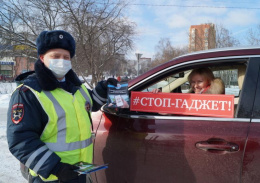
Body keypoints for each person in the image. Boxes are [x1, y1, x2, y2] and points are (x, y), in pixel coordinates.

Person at [7, 30, 117, 183]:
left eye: (66, 57)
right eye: (55, 56)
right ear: (42, 57)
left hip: (80, 172)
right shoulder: (29, 93)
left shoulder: (77, 88)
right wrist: (56, 168)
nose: (62, 61)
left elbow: (89, 104)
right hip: (51, 177)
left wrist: (103, 89)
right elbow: (21, 140)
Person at [152, 68, 225, 94]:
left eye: (199, 82)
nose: (195, 86)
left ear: (209, 81)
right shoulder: (195, 96)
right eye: (193, 82)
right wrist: (159, 95)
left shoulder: (214, 101)